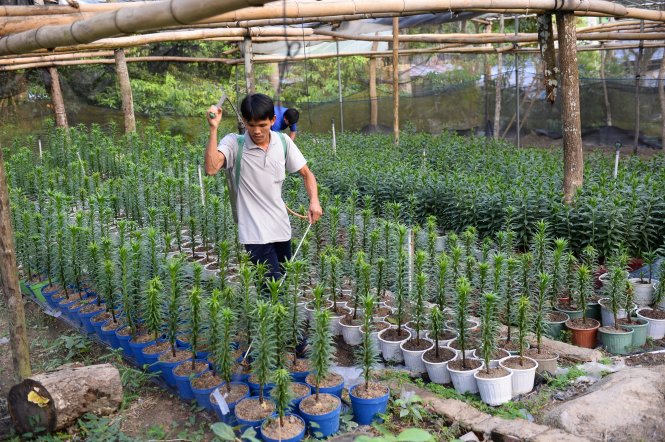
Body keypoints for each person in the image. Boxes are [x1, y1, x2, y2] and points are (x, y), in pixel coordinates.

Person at [205, 93, 322, 283]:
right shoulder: (235, 143)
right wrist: (213, 129)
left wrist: (314, 201)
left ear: (273, 120)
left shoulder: (283, 142)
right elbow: (211, 168)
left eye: (262, 125)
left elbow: (307, 174)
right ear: (244, 121)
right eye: (251, 125)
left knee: (282, 283)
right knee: (270, 287)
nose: (257, 131)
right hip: (254, 233)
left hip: (281, 228)